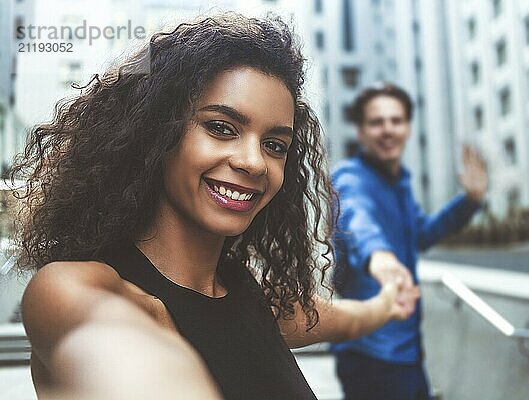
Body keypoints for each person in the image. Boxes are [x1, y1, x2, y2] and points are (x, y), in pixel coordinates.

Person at [7, 15, 420, 400]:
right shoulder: (72, 290)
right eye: (221, 128)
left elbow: (344, 318)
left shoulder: (250, 295)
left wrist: (388, 302)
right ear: (155, 134)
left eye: (274, 145)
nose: (254, 162)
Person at [331, 84, 488, 400]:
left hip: (407, 350)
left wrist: (470, 200)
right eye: (377, 122)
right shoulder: (351, 177)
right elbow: (357, 218)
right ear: (361, 132)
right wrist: (380, 255)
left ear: (407, 128)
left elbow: (424, 234)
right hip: (369, 354)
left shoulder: (399, 185)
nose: (388, 130)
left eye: (396, 121)